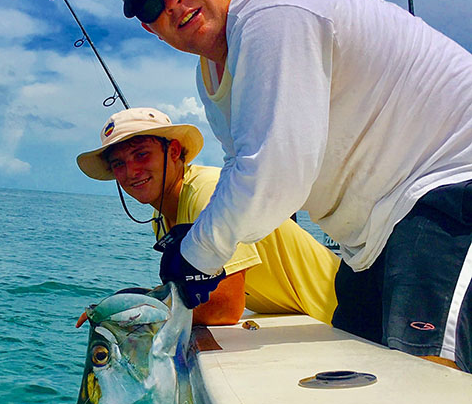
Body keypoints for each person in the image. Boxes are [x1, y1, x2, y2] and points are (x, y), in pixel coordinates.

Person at [114, 0, 472, 371]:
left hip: (446, 191)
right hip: (373, 238)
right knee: (364, 377)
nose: (171, 0)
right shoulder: (212, 73)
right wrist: (198, 245)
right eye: (151, 2)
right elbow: (240, 163)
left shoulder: (272, 13)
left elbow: (275, 173)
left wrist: (196, 254)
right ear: (150, 28)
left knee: (427, 386)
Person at [76, 107, 339, 327]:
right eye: (118, 164)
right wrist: (126, 301)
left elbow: (224, 308)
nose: (131, 171)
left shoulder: (210, 193)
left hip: (346, 315)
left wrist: (127, 317)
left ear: (175, 152)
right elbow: (190, 295)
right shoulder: (162, 219)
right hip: (312, 320)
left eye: (141, 154)